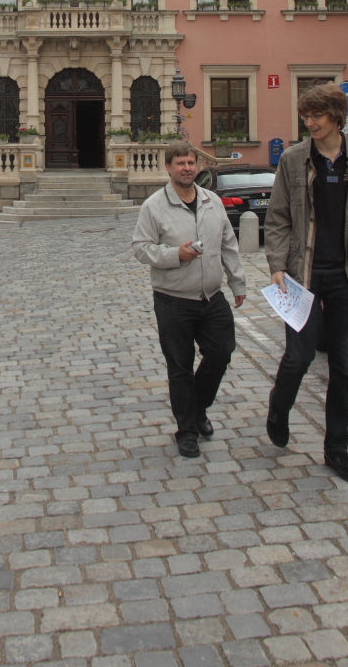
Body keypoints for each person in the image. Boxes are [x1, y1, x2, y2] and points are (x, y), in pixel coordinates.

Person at [264, 82, 348, 483]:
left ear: (336, 116)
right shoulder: (294, 159)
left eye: (316, 115)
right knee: (299, 357)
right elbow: (278, 216)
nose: (310, 122)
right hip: (302, 275)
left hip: (346, 275)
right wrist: (277, 264)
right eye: (305, 116)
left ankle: (337, 448)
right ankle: (279, 407)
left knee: (344, 366)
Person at [132, 140, 246, 459]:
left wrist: (237, 282)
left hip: (212, 296)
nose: (186, 168)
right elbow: (140, 247)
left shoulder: (212, 201)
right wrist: (174, 255)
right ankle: (187, 431)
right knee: (180, 368)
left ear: (197, 166)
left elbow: (228, 243)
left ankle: (196, 410)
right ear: (168, 167)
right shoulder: (154, 206)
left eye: (191, 163)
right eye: (180, 163)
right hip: (173, 299)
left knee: (221, 352)